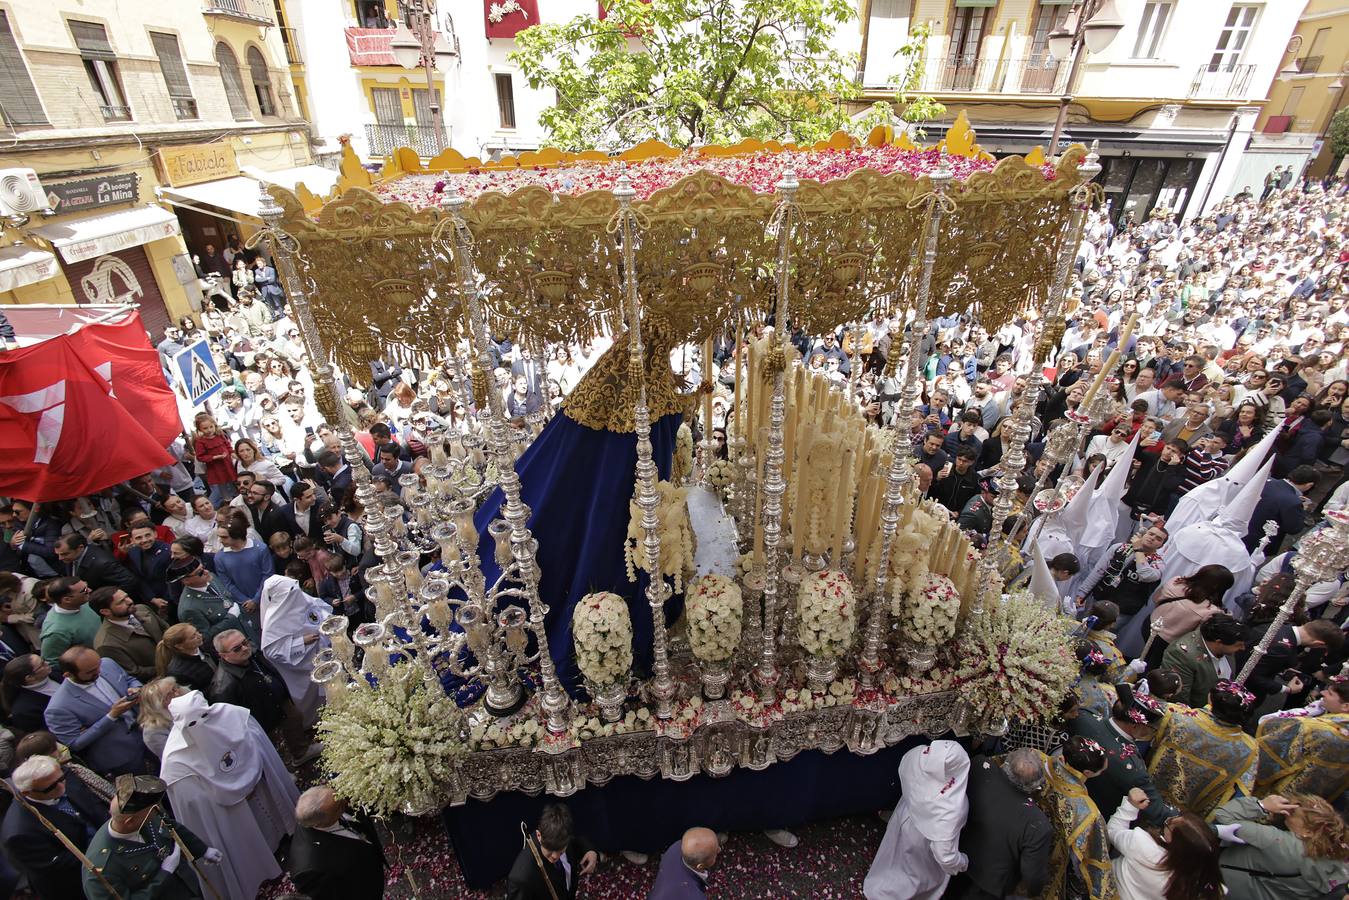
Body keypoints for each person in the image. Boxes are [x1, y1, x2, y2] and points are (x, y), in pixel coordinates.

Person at [159, 690, 298, 900]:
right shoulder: (175, 760)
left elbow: (256, 745)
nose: (202, 725)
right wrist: (229, 791)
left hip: (259, 789)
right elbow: (196, 804)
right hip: (233, 811)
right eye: (193, 723)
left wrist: (248, 774)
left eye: (204, 716)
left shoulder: (231, 715)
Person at [83, 773, 220, 900]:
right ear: (130, 822)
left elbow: (171, 826)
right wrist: (163, 875)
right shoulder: (103, 868)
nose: (157, 812)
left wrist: (202, 850)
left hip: (188, 889)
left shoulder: (146, 815)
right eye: (153, 811)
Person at [863, 740, 969, 899]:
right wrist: (961, 862)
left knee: (894, 856)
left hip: (905, 814)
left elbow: (905, 768)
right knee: (912, 874)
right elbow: (944, 855)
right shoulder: (950, 807)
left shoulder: (918, 755)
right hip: (922, 840)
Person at [0, 754, 109, 899]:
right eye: (51, 787)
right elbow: (60, 867)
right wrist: (105, 850)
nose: (62, 786)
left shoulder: (56, 778)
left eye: (61, 779)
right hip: (81, 883)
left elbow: (93, 808)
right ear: (27, 792)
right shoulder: (19, 833)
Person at [947, 748, 1051, 900]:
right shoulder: (1037, 824)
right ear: (1034, 786)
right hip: (987, 886)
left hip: (951, 858)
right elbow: (1032, 876)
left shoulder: (979, 766)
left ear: (1005, 764)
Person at [1067, 684, 1175, 827]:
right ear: (1136, 726)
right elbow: (1157, 812)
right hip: (1095, 817)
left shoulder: (1084, 716)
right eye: (1152, 729)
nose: (1153, 733)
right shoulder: (1132, 769)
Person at [1148, 680, 1258, 818]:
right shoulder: (1249, 748)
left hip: (1147, 793)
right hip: (1188, 817)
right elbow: (1241, 792)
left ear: (1211, 699)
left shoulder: (1177, 716)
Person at [209, 629, 319, 763]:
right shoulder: (223, 686)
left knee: (294, 723)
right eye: (237, 648)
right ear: (223, 656)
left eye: (245, 642)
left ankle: (301, 752)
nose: (244, 648)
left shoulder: (253, 653)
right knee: (275, 754)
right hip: (264, 724)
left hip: (281, 704)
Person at [1212, 793, 1349, 900]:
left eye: (1293, 813)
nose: (1287, 813)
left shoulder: (1278, 842)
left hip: (1217, 883)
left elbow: (1224, 816)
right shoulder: (1337, 857)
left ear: (1308, 832)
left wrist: (1261, 806)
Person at [43, 647, 146, 778]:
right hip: (121, 755)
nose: (98, 671)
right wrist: (111, 716)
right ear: (68, 675)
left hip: (148, 732)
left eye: (98, 666)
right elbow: (74, 743)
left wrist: (136, 688)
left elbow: (128, 679)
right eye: (91, 672)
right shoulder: (58, 707)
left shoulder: (107, 663)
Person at [1036, 736, 1116, 900]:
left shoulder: (1035, 758)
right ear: (1087, 773)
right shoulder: (1088, 813)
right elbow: (1089, 864)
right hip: (1045, 862)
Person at [1107, 788, 1222, 900]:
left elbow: (1112, 831)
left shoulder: (1142, 843)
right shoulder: (1205, 886)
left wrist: (1130, 806)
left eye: (1169, 824)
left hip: (1108, 888)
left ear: (1176, 845)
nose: (1169, 820)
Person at [1255, 680, 1349, 801]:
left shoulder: (1313, 728)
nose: (1323, 693)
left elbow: (1270, 728)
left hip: (1282, 793)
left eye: (1330, 693)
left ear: (1345, 706)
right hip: (1319, 798)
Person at [289, 783, 386, 900]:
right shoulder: (309, 870)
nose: (346, 801)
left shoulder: (334, 798)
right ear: (319, 823)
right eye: (339, 807)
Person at [258, 574, 329, 727]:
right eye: (290, 591)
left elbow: (319, 608)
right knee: (313, 698)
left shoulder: (298, 596)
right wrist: (301, 642)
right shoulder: (274, 620)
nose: (295, 592)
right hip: (303, 665)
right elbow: (271, 651)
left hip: (323, 650)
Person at [506, 803, 597, 900]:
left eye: (560, 851)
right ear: (538, 835)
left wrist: (589, 850)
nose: (555, 856)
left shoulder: (561, 835)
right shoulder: (521, 879)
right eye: (550, 849)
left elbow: (574, 841)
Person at [1158, 614, 1248, 708]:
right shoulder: (1181, 655)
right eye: (1238, 645)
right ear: (1218, 642)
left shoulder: (1227, 648)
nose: (1243, 648)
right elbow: (1179, 699)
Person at [168, 556, 258, 649]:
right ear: (186, 580)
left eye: (203, 568)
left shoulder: (211, 578)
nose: (206, 572)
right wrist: (230, 618)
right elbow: (204, 639)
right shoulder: (189, 608)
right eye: (200, 573)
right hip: (234, 648)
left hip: (250, 634)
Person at [90, 587, 167, 682]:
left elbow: (167, 630)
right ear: (105, 611)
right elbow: (134, 672)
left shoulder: (142, 609)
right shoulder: (106, 644)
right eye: (121, 602)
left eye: (126, 596)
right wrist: (167, 668)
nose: (129, 601)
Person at [37, 577, 99, 666]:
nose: (89, 590)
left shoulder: (83, 602)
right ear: (67, 600)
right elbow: (52, 663)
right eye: (84, 590)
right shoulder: (56, 631)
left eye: (87, 586)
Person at [650, 826, 719, 899]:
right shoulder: (695, 896)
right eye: (714, 854)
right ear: (700, 866)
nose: (719, 850)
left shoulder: (677, 846)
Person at [1, 653, 59, 734]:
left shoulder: (57, 672)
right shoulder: (24, 711)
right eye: (42, 664)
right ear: (29, 678)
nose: (47, 663)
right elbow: (44, 735)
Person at [155, 623, 218, 694]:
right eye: (193, 637)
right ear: (179, 646)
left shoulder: (205, 644)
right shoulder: (178, 672)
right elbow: (196, 696)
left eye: (197, 632)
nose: (200, 636)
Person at [136, 676, 183, 760]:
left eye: (175, 688)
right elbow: (176, 756)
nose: (177, 694)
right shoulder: (153, 732)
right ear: (158, 705)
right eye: (169, 695)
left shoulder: (187, 702)